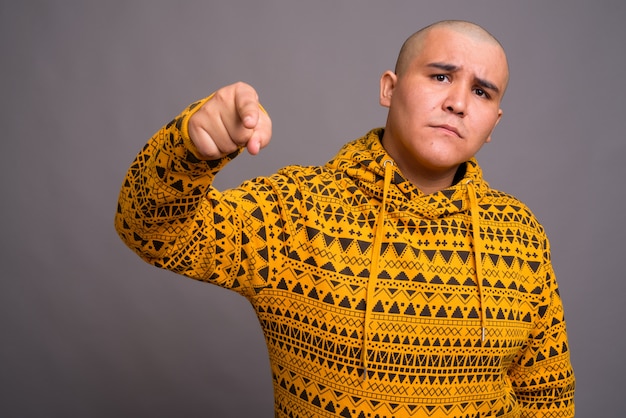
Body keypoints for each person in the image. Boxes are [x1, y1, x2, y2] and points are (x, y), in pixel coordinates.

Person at [115, 20, 575, 417]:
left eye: (481, 91)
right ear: (389, 89)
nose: (458, 102)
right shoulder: (296, 209)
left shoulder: (520, 234)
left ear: (493, 123)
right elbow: (151, 230)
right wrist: (190, 151)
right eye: (440, 77)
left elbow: (548, 395)